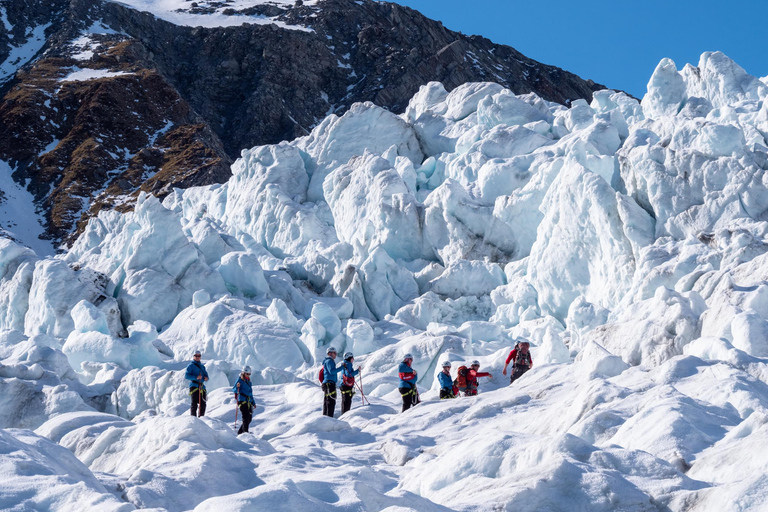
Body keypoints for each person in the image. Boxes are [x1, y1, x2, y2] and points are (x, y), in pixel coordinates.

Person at [321, 346, 344, 417]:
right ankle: (329, 417)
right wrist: (342, 367)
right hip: (329, 384)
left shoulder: (328, 361)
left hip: (328, 383)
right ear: (330, 353)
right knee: (331, 401)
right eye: (334, 353)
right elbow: (332, 371)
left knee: (327, 401)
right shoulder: (329, 361)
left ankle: (325, 417)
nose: (335, 354)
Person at [185, 350, 209, 417]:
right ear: (193, 357)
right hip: (194, 386)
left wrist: (206, 378)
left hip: (202, 387)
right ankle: (193, 418)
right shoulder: (191, 366)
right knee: (194, 403)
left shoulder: (202, 367)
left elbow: (207, 376)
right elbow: (187, 375)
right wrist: (196, 377)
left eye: (199, 356)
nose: (198, 357)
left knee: (203, 404)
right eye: (196, 356)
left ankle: (201, 417)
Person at [233, 366, 255, 434]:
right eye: (247, 374)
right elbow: (234, 389)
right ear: (243, 372)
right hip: (242, 400)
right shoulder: (239, 380)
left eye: (249, 374)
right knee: (246, 417)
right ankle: (245, 432)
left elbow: (250, 393)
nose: (248, 375)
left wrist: (253, 402)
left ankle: (240, 432)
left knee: (249, 418)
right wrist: (237, 387)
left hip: (248, 401)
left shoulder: (248, 381)